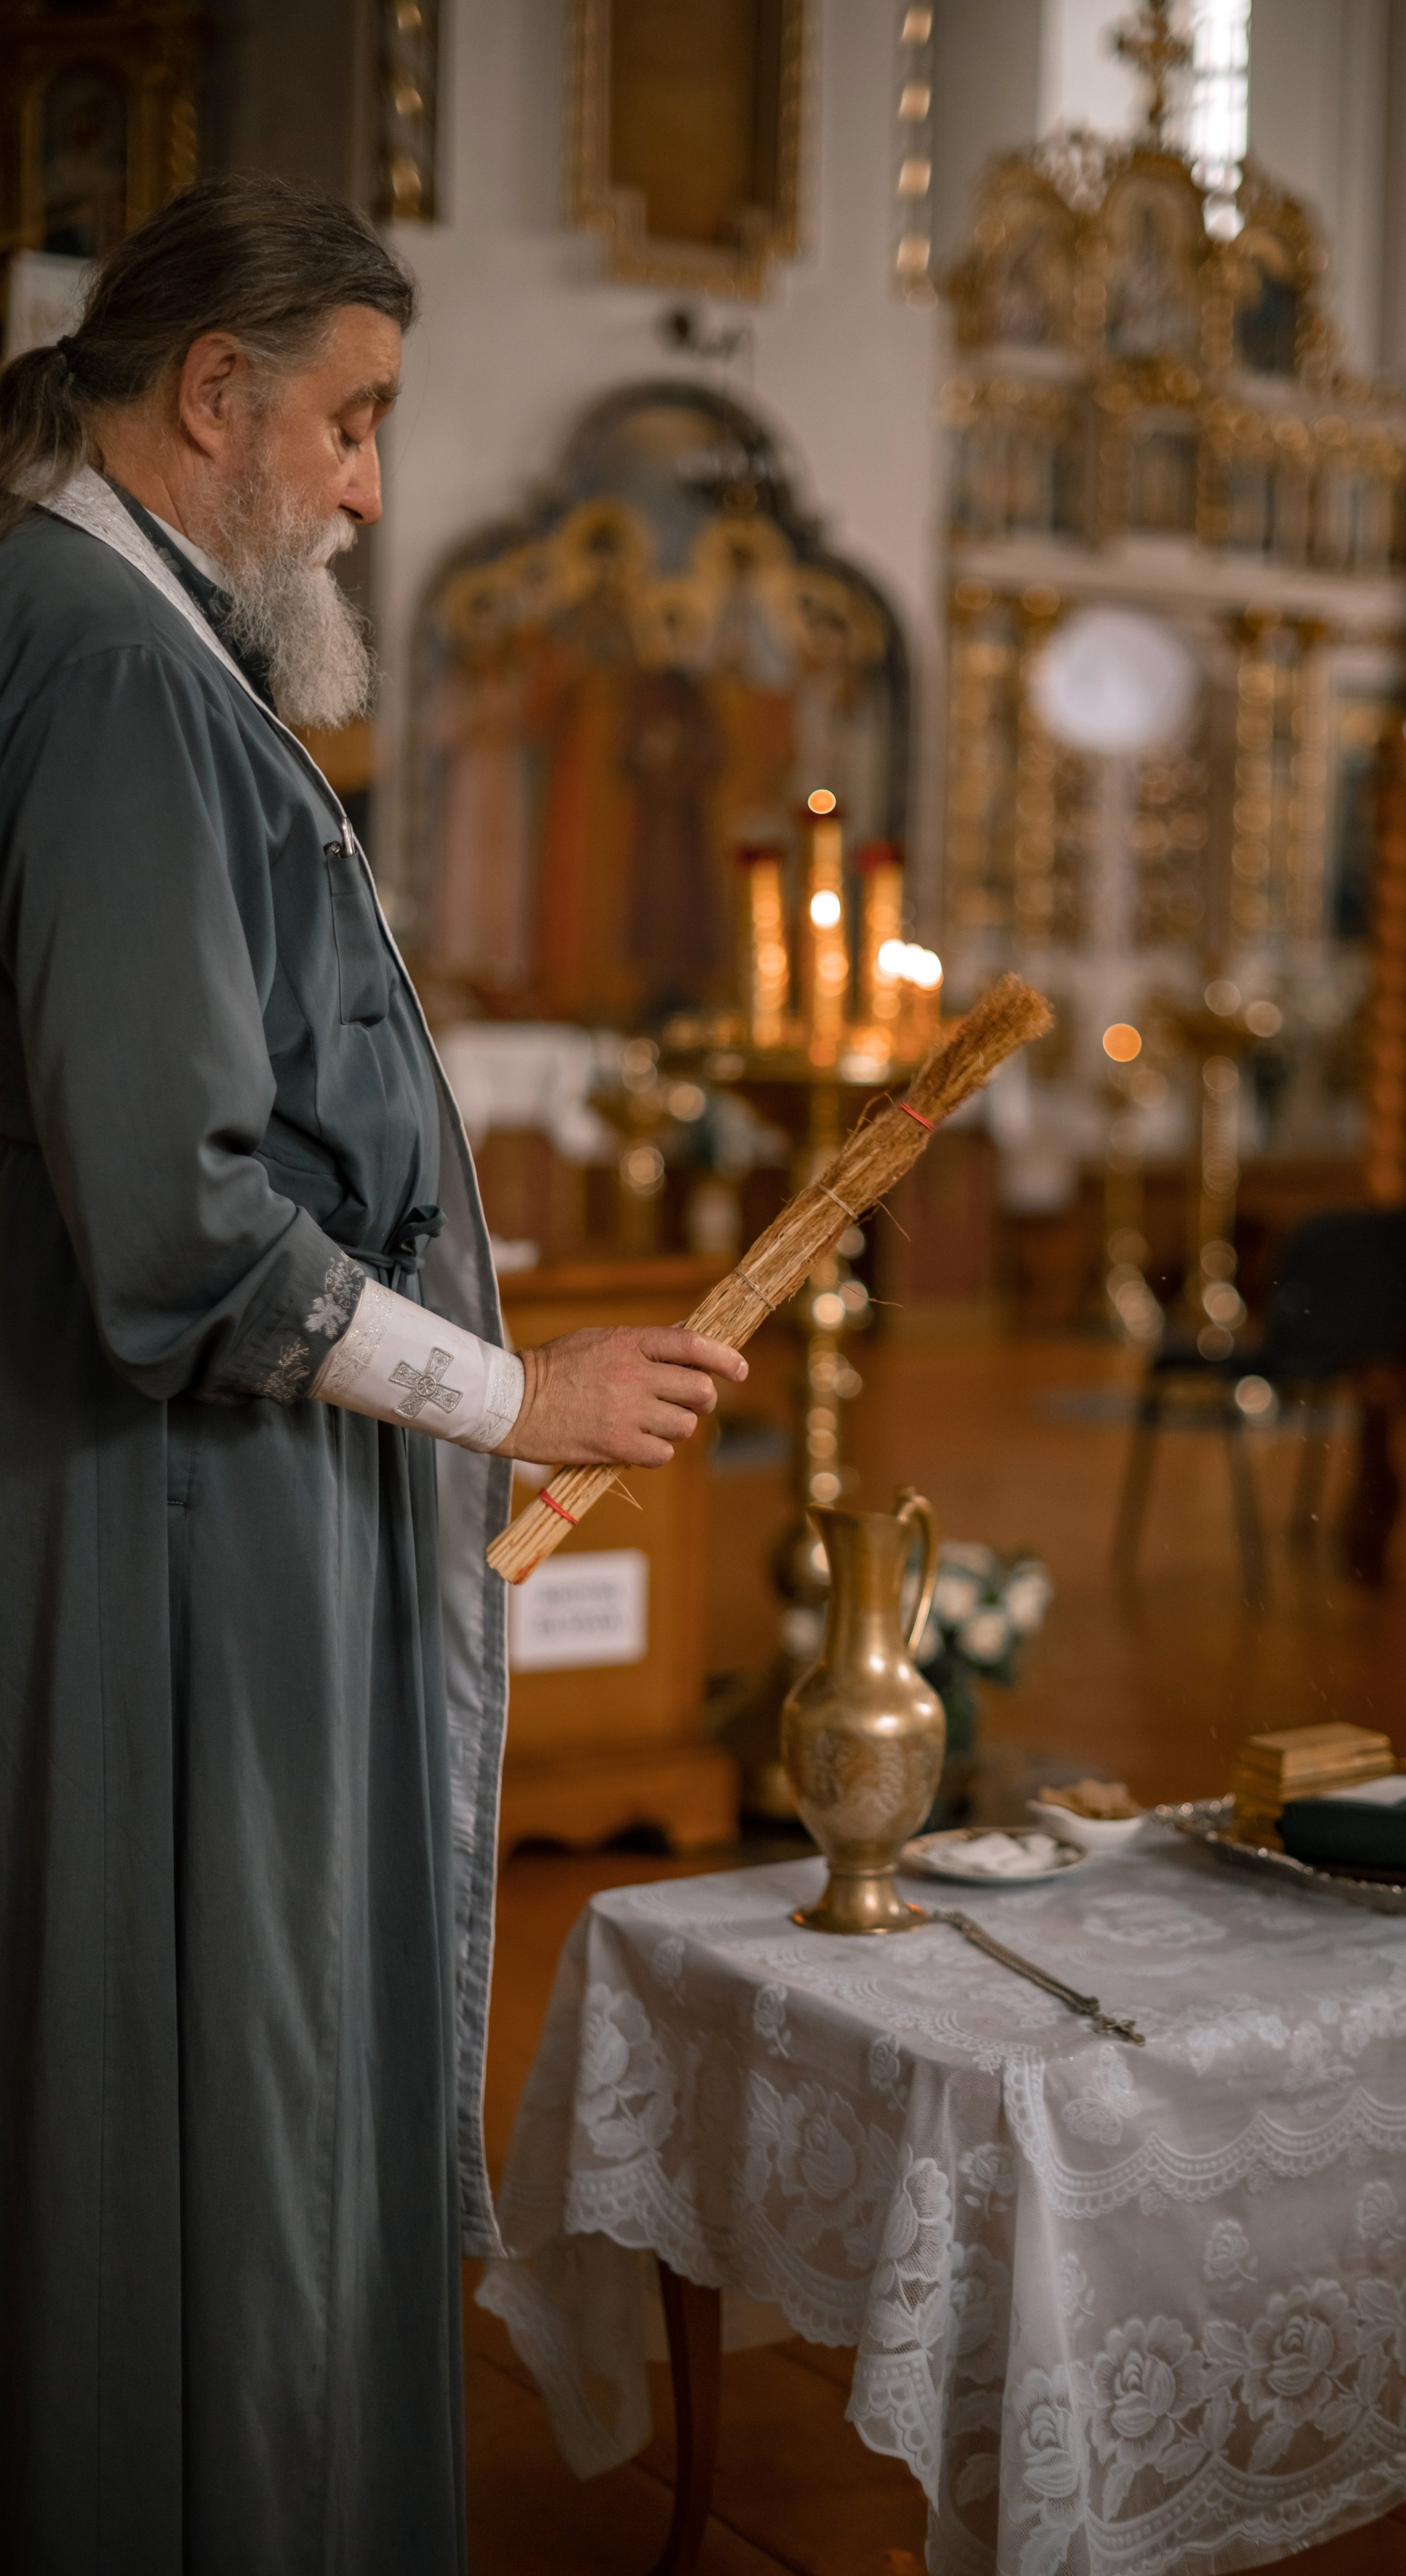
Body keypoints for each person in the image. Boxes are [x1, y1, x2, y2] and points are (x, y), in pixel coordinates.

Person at [0, 172, 746, 2574]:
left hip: (225, 1509)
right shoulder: (108, 659)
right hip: (175, 1534)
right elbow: (185, 1222)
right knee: (217, 2111)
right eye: (352, 422)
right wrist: (527, 1404)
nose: (364, 487)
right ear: (214, 396)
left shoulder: (133, 637)